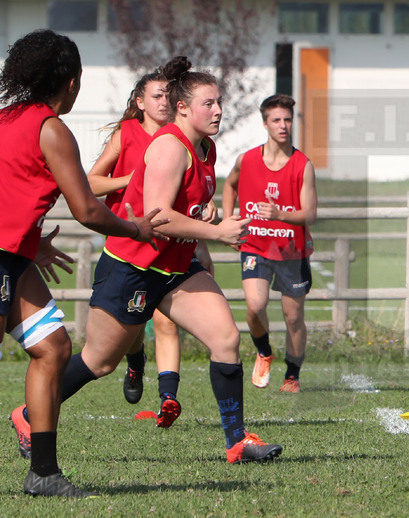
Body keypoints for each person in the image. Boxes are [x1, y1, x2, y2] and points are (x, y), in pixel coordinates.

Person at [11, 56, 283, 469]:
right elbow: (159, 217)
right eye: (209, 103)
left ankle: (237, 442)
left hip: (176, 269)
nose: (218, 110)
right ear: (182, 108)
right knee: (99, 361)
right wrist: (216, 232)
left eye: (219, 102)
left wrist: (203, 218)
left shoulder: (205, 148)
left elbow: (186, 206)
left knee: (226, 339)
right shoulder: (170, 148)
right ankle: (28, 415)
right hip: (133, 268)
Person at [1, 29, 164, 497]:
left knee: (54, 349)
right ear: (70, 82)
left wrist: (29, 240)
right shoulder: (50, 128)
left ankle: (44, 474)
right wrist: (136, 228)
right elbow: (88, 209)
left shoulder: (6, 117)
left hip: (15, 257)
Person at [88, 68, 217, 427]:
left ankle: (168, 397)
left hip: (171, 253)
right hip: (130, 244)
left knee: (168, 323)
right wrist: (131, 179)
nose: (163, 102)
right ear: (140, 102)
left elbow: (191, 198)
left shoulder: (190, 142)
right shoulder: (130, 135)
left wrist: (208, 218)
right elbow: (92, 184)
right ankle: (135, 362)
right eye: (156, 96)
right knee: (123, 337)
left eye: (166, 95)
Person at [222, 94, 317, 393]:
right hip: (256, 247)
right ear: (265, 124)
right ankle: (264, 352)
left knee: (293, 317)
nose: (283, 125)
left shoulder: (303, 165)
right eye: (276, 120)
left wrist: (280, 214)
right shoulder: (247, 160)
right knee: (255, 305)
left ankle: (292, 376)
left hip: (291, 251)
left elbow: (310, 214)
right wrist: (228, 221)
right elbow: (229, 186)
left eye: (287, 119)